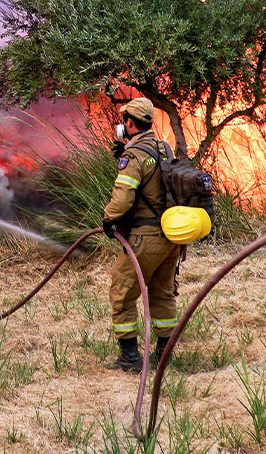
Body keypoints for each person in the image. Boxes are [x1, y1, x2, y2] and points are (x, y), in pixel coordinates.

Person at [101, 98, 179, 373]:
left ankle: (130, 358)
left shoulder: (133, 156)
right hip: (171, 237)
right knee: (162, 294)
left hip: (145, 238)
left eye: (125, 121)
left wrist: (108, 219)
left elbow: (122, 199)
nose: (122, 125)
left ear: (131, 123)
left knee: (121, 293)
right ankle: (164, 356)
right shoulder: (163, 148)